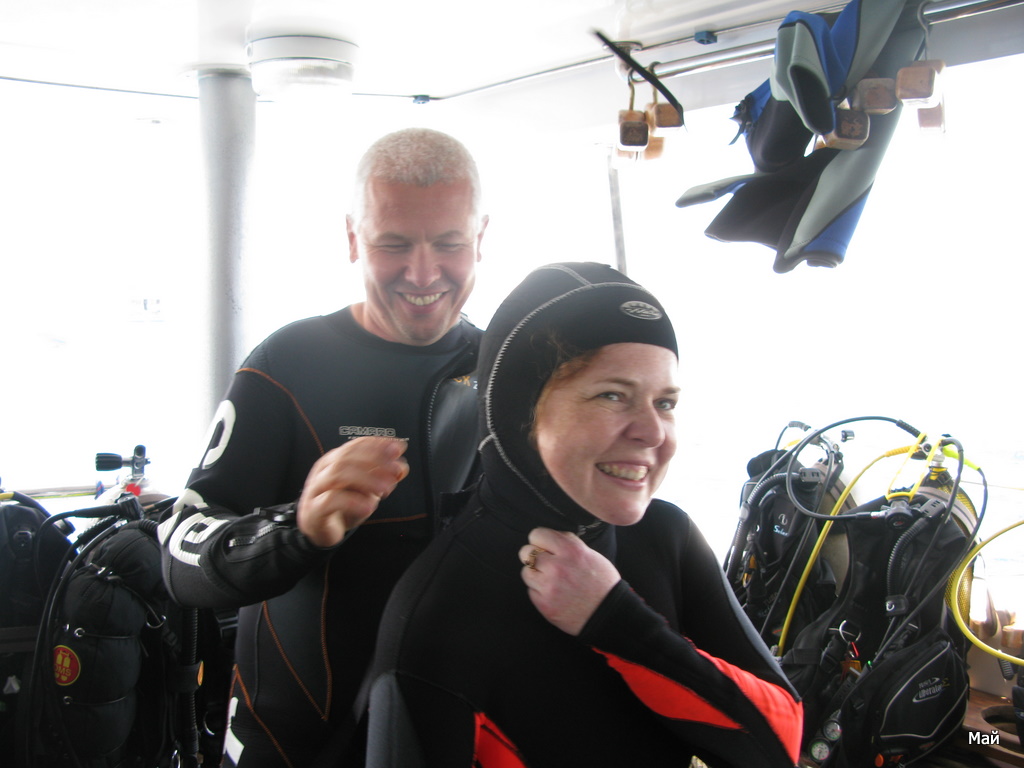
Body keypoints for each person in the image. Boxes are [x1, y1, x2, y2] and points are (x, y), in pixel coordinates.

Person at [364, 262, 803, 768]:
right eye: (612, 395)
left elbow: (781, 744)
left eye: (665, 402)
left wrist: (617, 622)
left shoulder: (666, 536)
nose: (653, 433)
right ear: (520, 412)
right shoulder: (435, 616)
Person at [157, 127, 489, 767]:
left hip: (441, 735)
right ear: (353, 239)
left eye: (449, 244)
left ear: (481, 238)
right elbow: (177, 549)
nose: (424, 273)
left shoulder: (502, 368)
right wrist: (296, 526)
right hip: (292, 738)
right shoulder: (289, 364)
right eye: (394, 244)